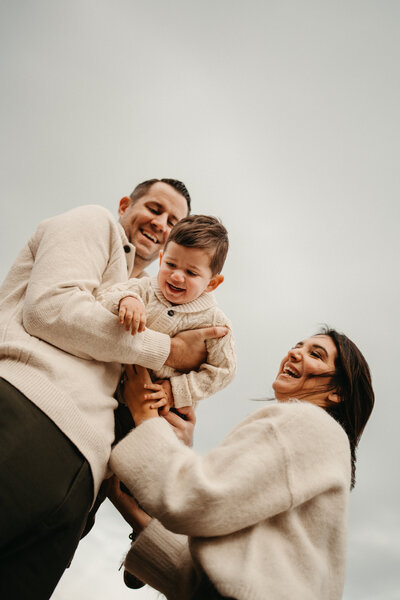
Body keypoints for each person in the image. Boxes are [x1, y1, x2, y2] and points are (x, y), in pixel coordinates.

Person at [0, 178, 228, 599]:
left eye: (173, 220)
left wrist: (169, 418)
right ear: (126, 204)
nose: (161, 223)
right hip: (27, 417)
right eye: (155, 209)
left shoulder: (159, 305)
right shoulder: (96, 223)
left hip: (80, 491)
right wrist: (171, 351)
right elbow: (49, 310)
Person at [108, 328, 375, 600]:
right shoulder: (322, 447)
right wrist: (140, 519)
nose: (294, 353)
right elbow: (223, 577)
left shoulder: (309, 423)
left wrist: (145, 415)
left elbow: (198, 499)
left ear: (337, 392)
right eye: (298, 346)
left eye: (315, 354)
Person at [99, 214, 236, 413]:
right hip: (108, 391)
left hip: (160, 405)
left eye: (191, 273)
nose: (177, 276)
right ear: (162, 259)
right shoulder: (144, 288)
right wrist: (126, 300)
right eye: (171, 265)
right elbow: (103, 297)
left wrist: (175, 390)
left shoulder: (215, 323)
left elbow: (224, 371)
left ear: (212, 283)